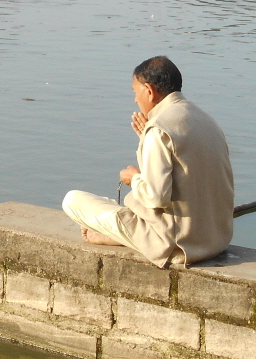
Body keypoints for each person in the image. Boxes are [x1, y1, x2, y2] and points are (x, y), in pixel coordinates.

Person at [61, 56, 234, 268]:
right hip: (216, 240)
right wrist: (146, 141)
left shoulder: (159, 128)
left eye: (136, 92)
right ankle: (126, 235)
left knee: (72, 200)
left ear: (149, 90)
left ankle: (122, 236)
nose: (135, 99)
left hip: (178, 246)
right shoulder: (207, 120)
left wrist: (134, 178)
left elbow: (156, 198)